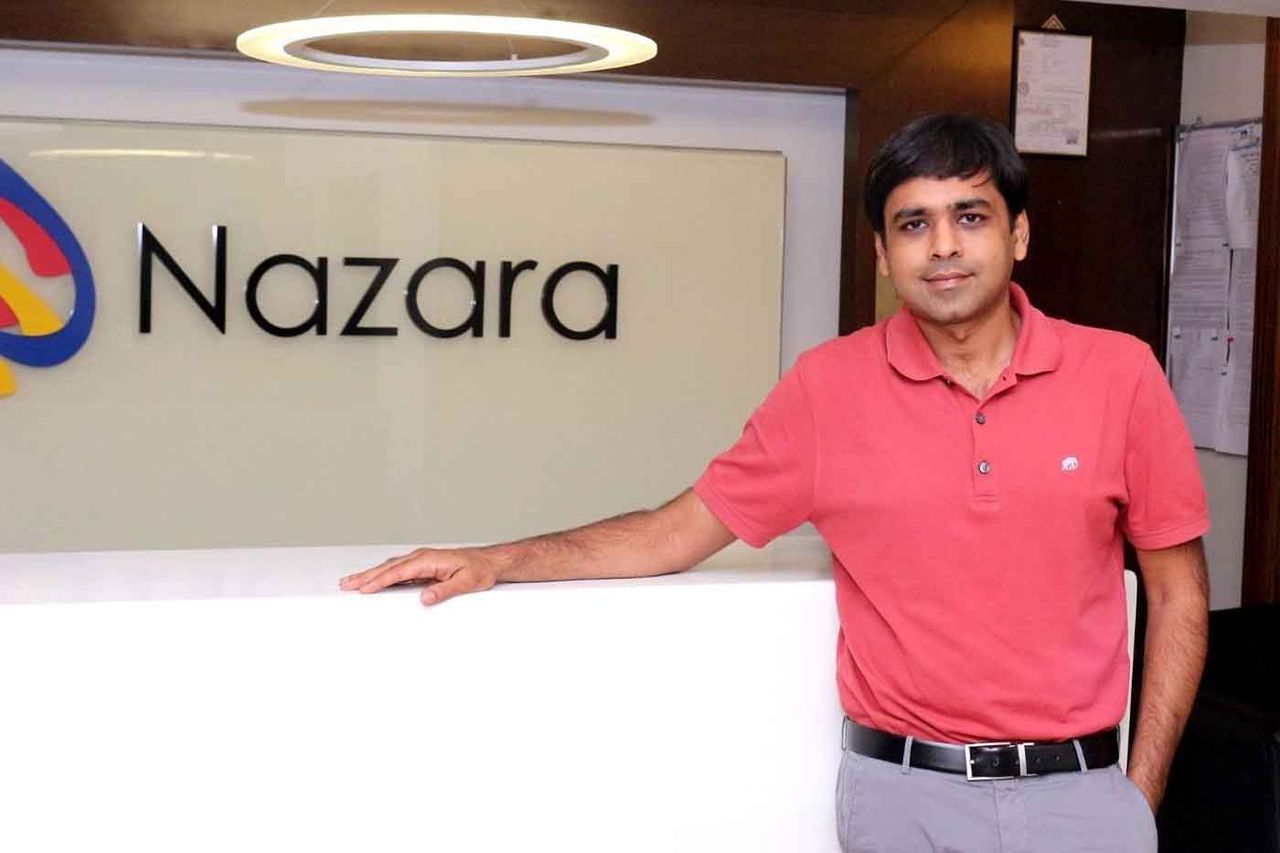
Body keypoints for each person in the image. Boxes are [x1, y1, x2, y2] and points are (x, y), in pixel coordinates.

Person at [340, 113, 1209, 852]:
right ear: (882, 253)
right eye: (913, 224)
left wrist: (1139, 793)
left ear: (1018, 235)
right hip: (902, 799)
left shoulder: (1121, 375)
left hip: (1082, 798)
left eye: (970, 216)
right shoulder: (828, 390)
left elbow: (1178, 596)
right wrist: (499, 560)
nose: (943, 245)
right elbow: (673, 532)